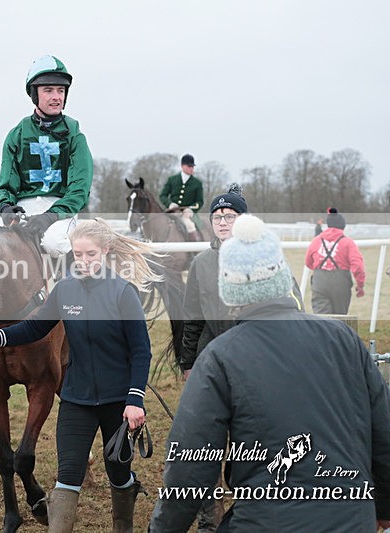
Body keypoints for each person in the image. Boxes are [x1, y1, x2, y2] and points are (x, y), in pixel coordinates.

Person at [151, 214, 390, 531]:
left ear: (230, 290)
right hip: (351, 518)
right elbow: (383, 430)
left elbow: (190, 463)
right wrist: (383, 507)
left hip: (265, 520)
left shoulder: (220, 357)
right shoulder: (343, 338)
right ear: (283, 279)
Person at [0, 219, 161, 532]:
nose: (84, 261)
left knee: (118, 473)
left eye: (91, 254)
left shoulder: (123, 293)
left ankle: (123, 526)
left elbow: (141, 351)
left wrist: (135, 400)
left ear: (105, 251)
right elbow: (35, 327)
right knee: (68, 477)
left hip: (118, 402)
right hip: (77, 399)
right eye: (78, 255)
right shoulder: (65, 289)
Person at [177, 183, 249, 531]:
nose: (222, 221)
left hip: (251, 362)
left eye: (229, 216)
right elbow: (192, 316)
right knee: (207, 443)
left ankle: (248, 508)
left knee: (246, 441)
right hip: (211, 361)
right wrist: (188, 362)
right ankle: (210, 518)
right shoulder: (202, 263)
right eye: (217, 216)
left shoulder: (258, 258)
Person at [0, 55, 93, 258]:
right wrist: (5, 207)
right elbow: (5, 185)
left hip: (61, 211)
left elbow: (80, 188)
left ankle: (74, 279)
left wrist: (50, 216)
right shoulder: (17, 134)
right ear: (34, 94)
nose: (56, 97)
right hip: (23, 208)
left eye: (60, 90)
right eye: (48, 90)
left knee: (54, 242)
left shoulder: (74, 134)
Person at [305, 207, 366, 315]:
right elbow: (358, 266)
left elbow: (308, 263)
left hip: (319, 281)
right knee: (339, 317)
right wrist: (360, 284)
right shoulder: (348, 243)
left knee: (321, 318)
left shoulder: (316, 241)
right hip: (341, 281)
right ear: (343, 226)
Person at [159, 154, 204, 241]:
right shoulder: (172, 180)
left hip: (186, 213)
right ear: (182, 166)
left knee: (190, 226)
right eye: (189, 166)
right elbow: (163, 195)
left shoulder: (197, 183)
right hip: (172, 211)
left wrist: (190, 209)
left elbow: (200, 201)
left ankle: (193, 248)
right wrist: (170, 204)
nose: (192, 168)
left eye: (192, 166)